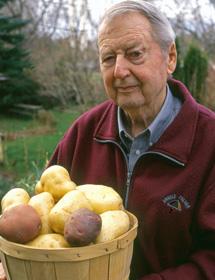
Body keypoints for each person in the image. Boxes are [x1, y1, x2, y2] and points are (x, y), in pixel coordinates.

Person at [1, 0, 215, 279]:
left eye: (134, 54)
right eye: (108, 58)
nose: (119, 71)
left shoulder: (208, 141)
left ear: (170, 57)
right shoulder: (84, 131)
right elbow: (41, 219)